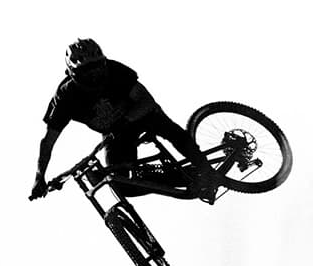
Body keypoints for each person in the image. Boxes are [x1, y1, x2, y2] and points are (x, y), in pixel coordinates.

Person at [30, 39, 217, 203]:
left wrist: (127, 120)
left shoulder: (115, 71)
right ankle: (176, 179)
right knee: (121, 185)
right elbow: (48, 142)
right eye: (87, 72)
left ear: (104, 63)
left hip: (140, 115)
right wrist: (40, 177)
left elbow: (147, 101)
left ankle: (207, 171)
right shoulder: (65, 98)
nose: (94, 77)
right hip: (115, 133)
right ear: (72, 74)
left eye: (97, 68)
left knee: (171, 132)